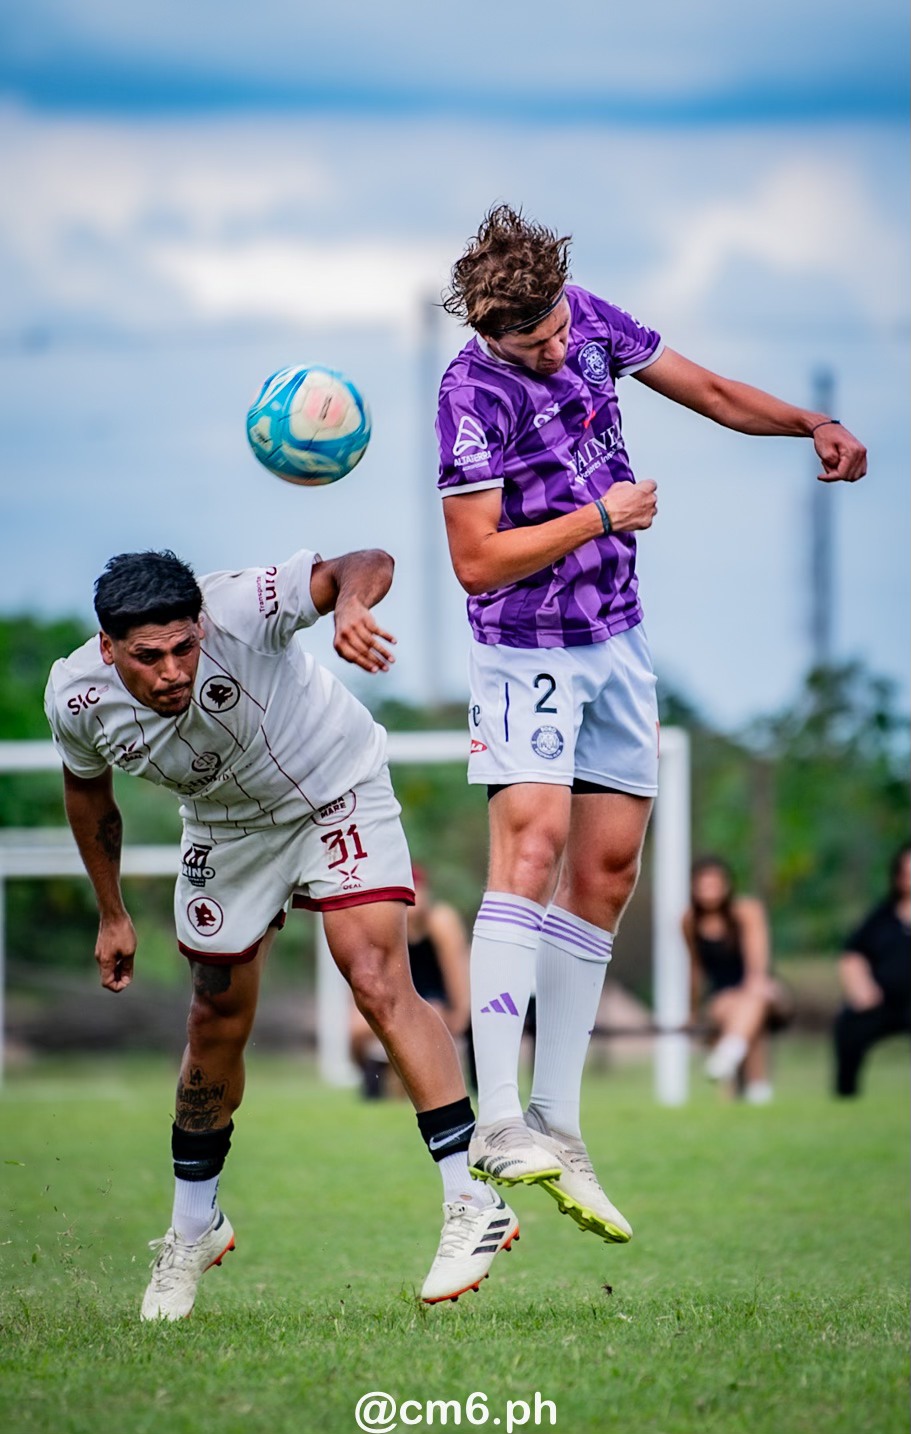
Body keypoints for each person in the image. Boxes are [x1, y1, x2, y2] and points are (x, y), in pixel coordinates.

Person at [434, 204, 866, 1243]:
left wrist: (807, 423)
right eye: (525, 343)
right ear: (486, 332)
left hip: (616, 642)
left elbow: (709, 391)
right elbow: (475, 560)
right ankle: (495, 1119)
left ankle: (558, 1121)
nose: (547, 352)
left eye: (549, 335)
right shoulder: (465, 393)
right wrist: (600, 515)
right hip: (522, 649)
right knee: (529, 848)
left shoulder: (586, 319)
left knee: (609, 872)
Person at [44, 546, 518, 1318]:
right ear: (107, 649)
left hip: (335, 785)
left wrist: (354, 609)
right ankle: (193, 1229)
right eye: (147, 657)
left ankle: (471, 1201)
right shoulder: (75, 697)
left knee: (371, 974)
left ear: (200, 625)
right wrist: (112, 911)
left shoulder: (239, 606)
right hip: (226, 831)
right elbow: (87, 791)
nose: (171, 672)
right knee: (214, 1015)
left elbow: (364, 561)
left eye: (183, 648)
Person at [351, 863, 470, 1098]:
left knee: (432, 1013)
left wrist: (459, 1021)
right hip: (400, 1001)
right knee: (357, 1028)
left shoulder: (441, 923)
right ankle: (375, 1076)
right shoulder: (385, 925)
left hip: (437, 1000)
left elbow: (459, 984)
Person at [683, 856, 791, 1102]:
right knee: (751, 1018)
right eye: (703, 885)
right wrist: (692, 1010)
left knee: (753, 1001)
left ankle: (729, 1054)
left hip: (761, 989)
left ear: (727, 885)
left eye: (715, 884)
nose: (709, 891)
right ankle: (757, 1091)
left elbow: (757, 960)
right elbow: (695, 967)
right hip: (721, 997)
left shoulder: (747, 911)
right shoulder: (689, 921)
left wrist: (753, 986)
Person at [833, 843, 911, 1097]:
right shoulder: (882, 916)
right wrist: (860, 985)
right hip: (883, 1002)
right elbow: (852, 954)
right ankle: (846, 1097)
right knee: (850, 1025)